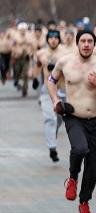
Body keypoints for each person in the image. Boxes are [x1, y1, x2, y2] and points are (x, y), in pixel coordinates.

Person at [47, 30, 96, 213]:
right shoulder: (64, 62)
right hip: (73, 116)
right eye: (83, 41)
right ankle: (73, 178)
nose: (86, 44)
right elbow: (51, 81)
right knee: (79, 149)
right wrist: (54, 100)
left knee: (94, 168)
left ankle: (84, 202)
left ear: (94, 44)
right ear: (77, 44)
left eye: (90, 41)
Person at [30, 30, 69, 162]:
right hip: (47, 90)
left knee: (59, 119)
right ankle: (52, 148)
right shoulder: (41, 53)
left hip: (63, 90)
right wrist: (35, 78)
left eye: (55, 38)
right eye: (50, 38)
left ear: (59, 39)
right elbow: (36, 68)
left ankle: (53, 134)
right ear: (47, 40)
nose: (53, 40)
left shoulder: (66, 53)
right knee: (49, 119)